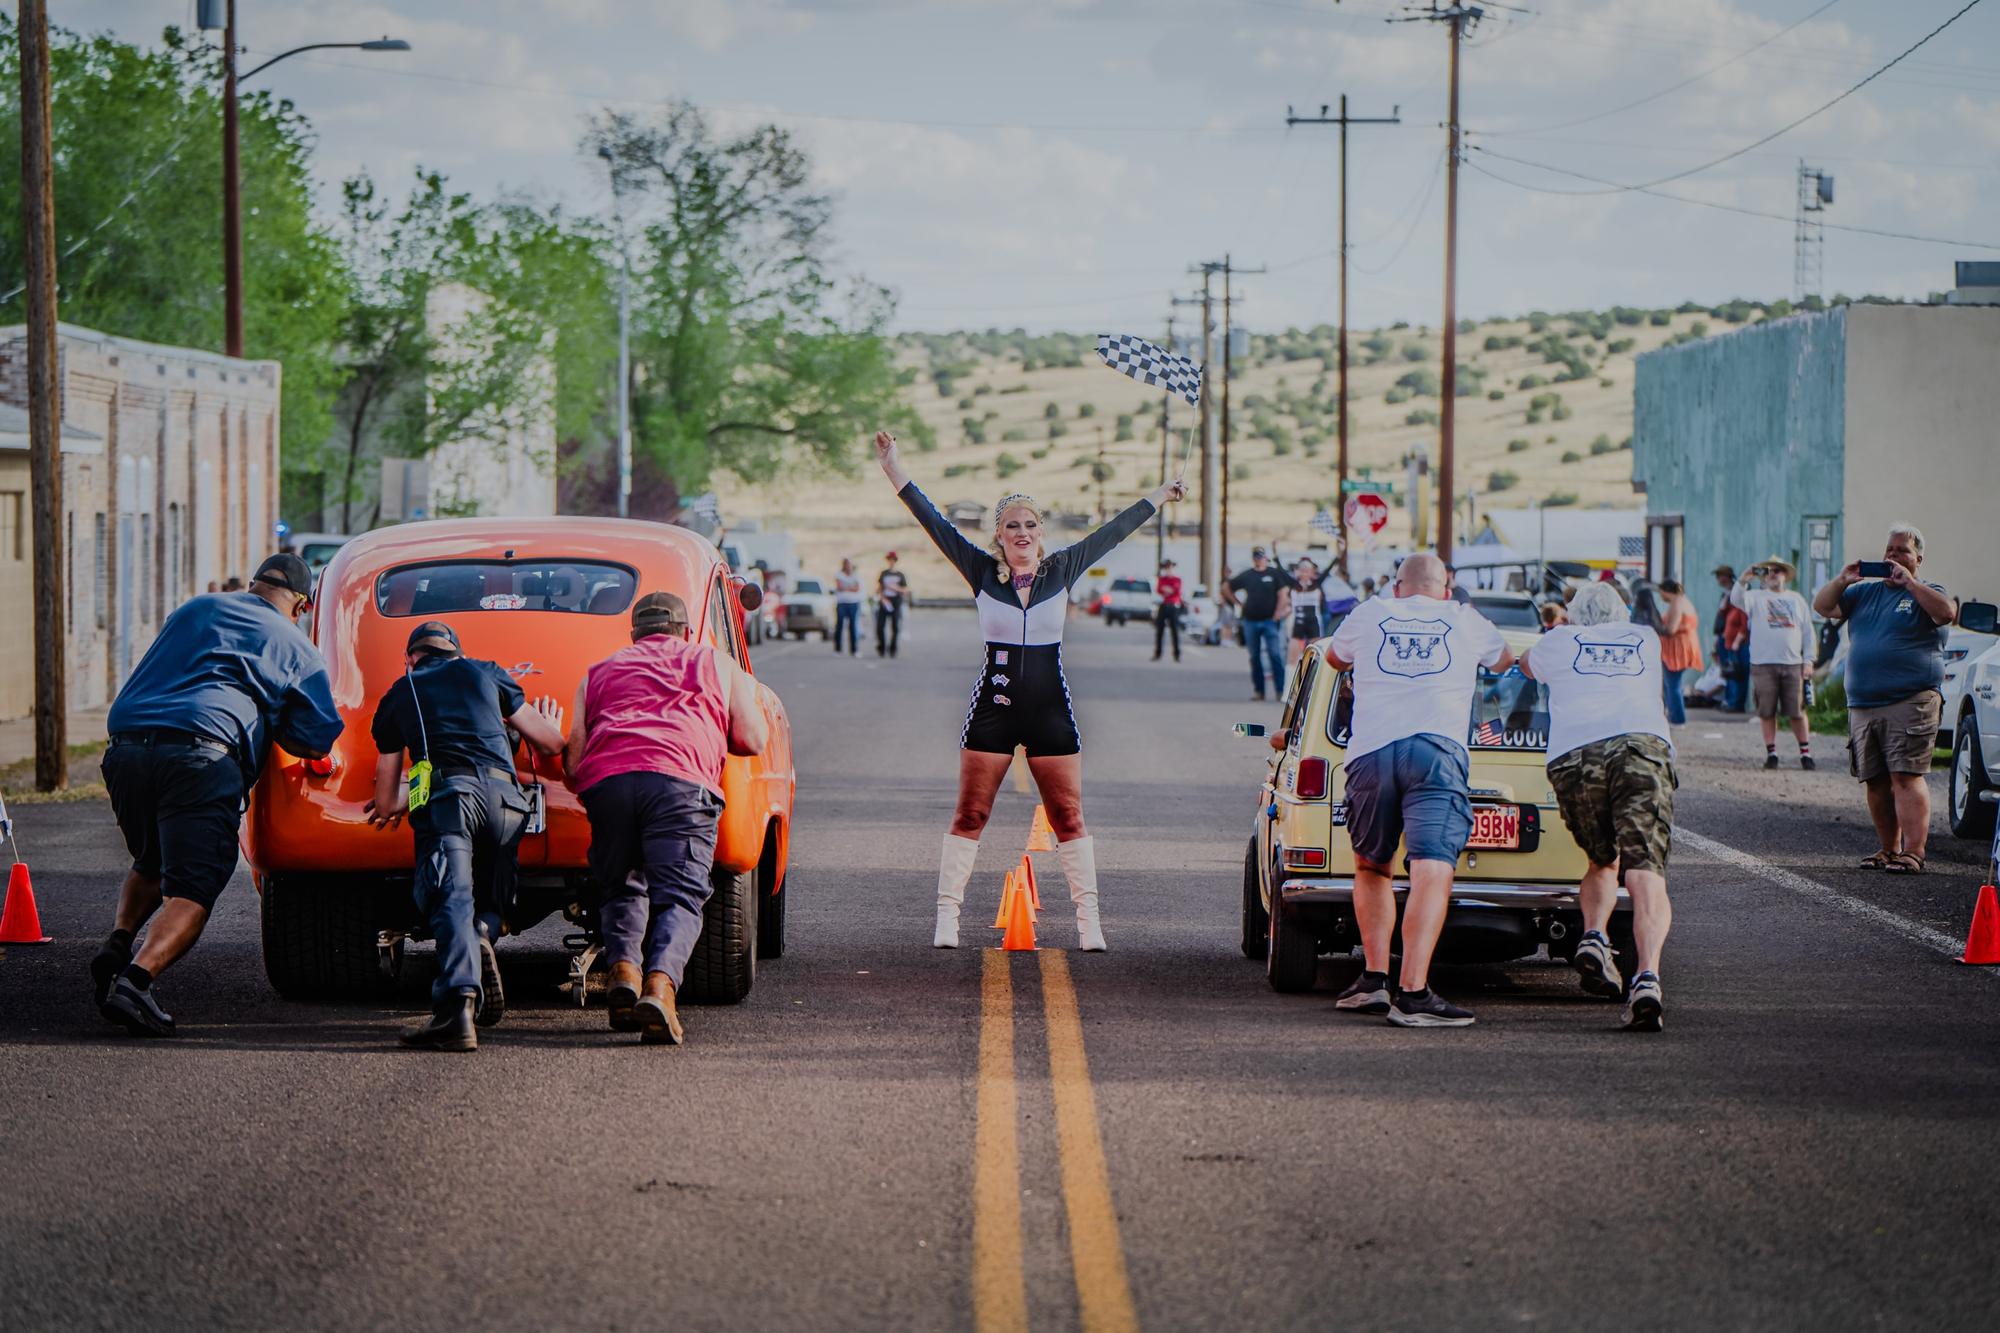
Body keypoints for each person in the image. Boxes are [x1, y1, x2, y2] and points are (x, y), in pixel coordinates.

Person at [875, 429, 1185, 951]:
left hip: (1049, 709)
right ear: (999, 535)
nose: (1022, 532)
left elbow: (1115, 530)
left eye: (1030, 524)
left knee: (1069, 817)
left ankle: (1089, 922)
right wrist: (893, 465)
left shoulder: (1063, 568)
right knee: (970, 814)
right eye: (1012, 525)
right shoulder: (980, 570)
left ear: (1041, 532)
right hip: (993, 707)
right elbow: (932, 520)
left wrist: (1161, 494)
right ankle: (947, 917)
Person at [92, 553, 342, 1037]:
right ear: (301, 606)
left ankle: (118, 944)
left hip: (125, 748)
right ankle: (136, 983)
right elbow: (317, 740)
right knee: (192, 889)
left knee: (152, 859)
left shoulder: (196, 608)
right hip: (202, 757)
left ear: (252, 585)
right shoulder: (294, 644)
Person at [563, 592, 769, 1044]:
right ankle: (659, 988)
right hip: (680, 785)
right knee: (680, 896)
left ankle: (624, 973)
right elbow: (752, 739)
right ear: (685, 632)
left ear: (634, 634)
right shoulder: (716, 664)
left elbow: (574, 763)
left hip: (609, 785)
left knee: (620, 886)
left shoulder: (597, 672)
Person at [1323, 552, 1512, 1027]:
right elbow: (1506, 660)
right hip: (1435, 752)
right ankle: (1413, 993)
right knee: (1431, 869)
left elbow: (1334, 657)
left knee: (1371, 866)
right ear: (1445, 589)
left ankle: (1373, 979)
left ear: (1397, 586)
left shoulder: (1370, 611)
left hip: (1370, 752)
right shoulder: (1463, 617)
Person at [367, 621, 566, 1051]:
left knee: (451, 898)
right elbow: (551, 743)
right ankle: (481, 934)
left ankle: (456, 1011)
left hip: (451, 801)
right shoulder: (487, 672)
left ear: (410, 659)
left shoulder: (402, 692)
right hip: (507, 803)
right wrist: (550, 723)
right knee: (494, 900)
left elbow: (384, 802)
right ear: (456, 652)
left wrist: (407, 798)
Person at [1520, 581, 1677, 1031]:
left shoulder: (1559, 640)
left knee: (1602, 860)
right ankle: (1646, 977)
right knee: (1645, 869)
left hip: (1576, 754)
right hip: (1641, 748)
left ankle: (1593, 935)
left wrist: (1553, 638)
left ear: (1573, 617)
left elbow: (1526, 666)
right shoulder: (1645, 637)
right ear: (1622, 613)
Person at [1812, 523, 1956, 874]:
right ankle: (1888, 849)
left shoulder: (1927, 591)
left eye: (1902, 551)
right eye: (1889, 550)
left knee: (1905, 775)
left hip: (1910, 699)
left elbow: (1946, 612)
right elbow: (1823, 607)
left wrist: (1910, 583)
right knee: (1875, 780)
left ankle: (1914, 851)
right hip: (1863, 703)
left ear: (1918, 559)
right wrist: (1843, 579)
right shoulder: (1864, 593)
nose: (1893, 556)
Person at [1731, 557, 1816, 769]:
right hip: (1763, 663)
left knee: (1797, 711)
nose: (1773, 573)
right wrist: (1744, 577)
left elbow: (1808, 632)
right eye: (1768, 570)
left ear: (1785, 575)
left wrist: (1809, 660)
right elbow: (1736, 599)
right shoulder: (1755, 596)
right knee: (1766, 711)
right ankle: (1772, 753)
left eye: (1778, 570)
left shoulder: (1796, 599)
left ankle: (1805, 753)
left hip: (1792, 663)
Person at [1225, 547, 1297, 702]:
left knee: (1275, 655)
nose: (1259, 560)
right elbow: (1227, 587)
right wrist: (1238, 603)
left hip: (1269, 620)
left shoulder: (1273, 573)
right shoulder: (1248, 575)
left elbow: (1283, 593)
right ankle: (1259, 690)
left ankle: (1280, 690)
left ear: (1266, 558)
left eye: (1261, 557)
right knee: (1255, 656)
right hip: (1251, 620)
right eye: (1256, 557)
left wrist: (1278, 612)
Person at [1656, 578, 1704, 726]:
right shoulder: (1684, 600)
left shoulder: (1677, 602)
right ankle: (1674, 716)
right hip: (1684, 646)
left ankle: (1677, 719)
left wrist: (1655, 627)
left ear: (1665, 591)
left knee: (1672, 685)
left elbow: (1671, 629)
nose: (1661, 597)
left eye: (1661, 593)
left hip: (1677, 650)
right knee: (1672, 684)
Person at [1712, 566, 1749, 714]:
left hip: (1736, 642)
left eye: (1721, 576)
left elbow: (1744, 625)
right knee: (1728, 671)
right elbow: (1722, 616)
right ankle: (1729, 700)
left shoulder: (1739, 601)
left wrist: (1737, 642)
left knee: (1737, 672)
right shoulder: (1725, 595)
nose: (1718, 580)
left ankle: (1736, 703)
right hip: (1726, 639)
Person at [1286, 557, 1325, 672]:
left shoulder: (1316, 584)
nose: (1305, 573)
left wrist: (1339, 555)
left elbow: (1327, 570)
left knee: (1315, 653)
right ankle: (1292, 678)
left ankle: (1313, 676)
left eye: (1307, 570)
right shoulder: (1294, 584)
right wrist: (1274, 555)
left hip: (1313, 620)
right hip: (1298, 621)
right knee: (1293, 657)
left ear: (1312, 572)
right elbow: (1282, 573)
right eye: (1302, 570)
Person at [876, 551, 908, 657]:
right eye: (889, 560)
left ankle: (893, 648)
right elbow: (880, 588)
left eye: (892, 560)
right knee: (880, 626)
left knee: (895, 626)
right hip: (885, 600)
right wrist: (882, 598)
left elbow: (904, 590)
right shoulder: (884, 573)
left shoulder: (900, 575)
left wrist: (894, 588)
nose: (891, 562)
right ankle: (882, 647)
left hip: (896, 601)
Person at [1152, 558, 1185, 662]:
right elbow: (1159, 589)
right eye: (1166, 567)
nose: (1168, 569)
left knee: (1175, 631)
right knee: (1160, 630)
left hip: (1173, 606)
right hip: (1164, 605)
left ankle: (1177, 654)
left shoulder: (1177, 579)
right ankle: (1158, 653)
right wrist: (1168, 590)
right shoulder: (1162, 579)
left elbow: (1176, 591)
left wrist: (1167, 589)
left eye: (1169, 567)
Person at [833, 558, 863, 655]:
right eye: (846, 564)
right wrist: (850, 587)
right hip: (842, 603)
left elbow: (857, 588)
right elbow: (839, 587)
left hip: (853, 603)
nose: (847, 566)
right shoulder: (839, 574)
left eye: (849, 564)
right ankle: (838, 649)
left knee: (853, 627)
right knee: (839, 626)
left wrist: (845, 588)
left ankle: (854, 650)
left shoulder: (856, 575)